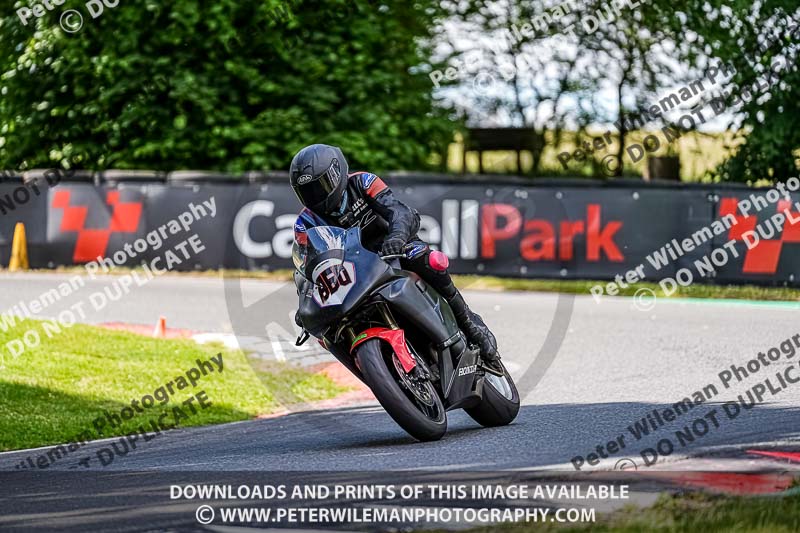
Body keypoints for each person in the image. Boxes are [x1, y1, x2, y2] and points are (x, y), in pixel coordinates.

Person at [289, 143, 501, 371]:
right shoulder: (304, 223)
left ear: (337, 172)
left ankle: (469, 322)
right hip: (353, 273)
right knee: (329, 329)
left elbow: (400, 212)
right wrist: (306, 305)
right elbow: (308, 268)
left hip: (393, 248)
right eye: (307, 191)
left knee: (426, 260)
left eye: (320, 186)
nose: (316, 195)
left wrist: (397, 237)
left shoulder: (363, 182)